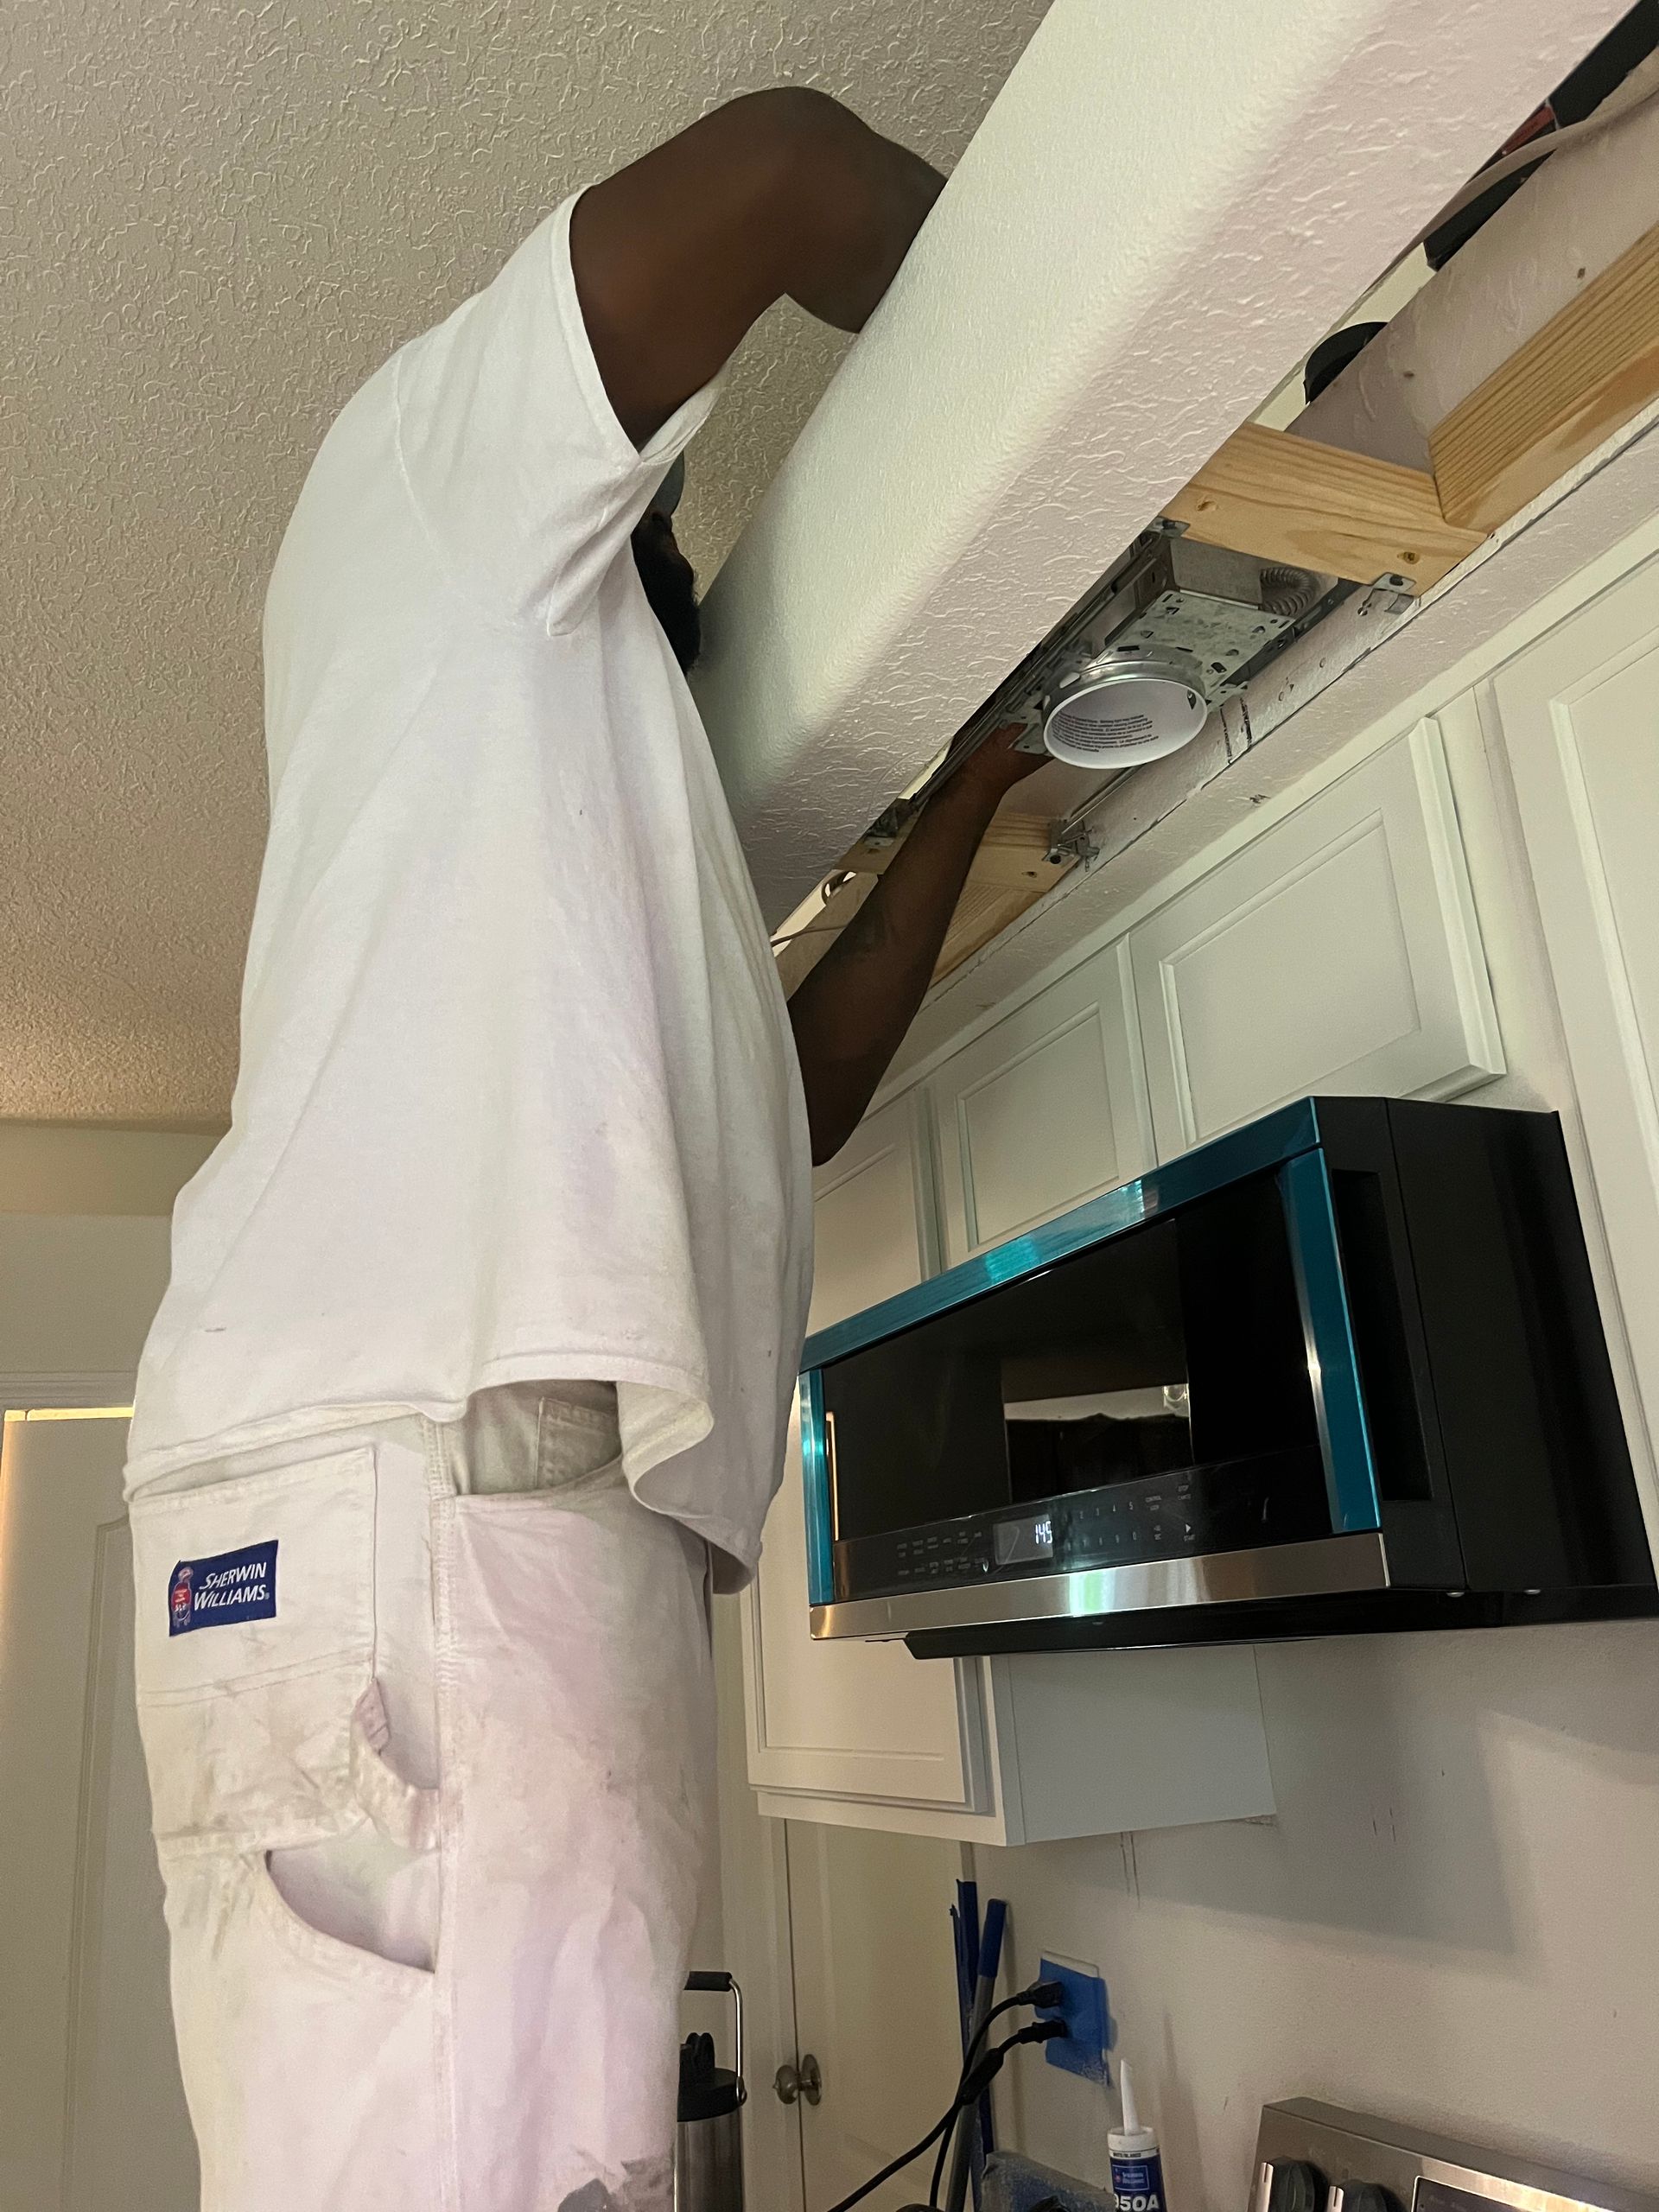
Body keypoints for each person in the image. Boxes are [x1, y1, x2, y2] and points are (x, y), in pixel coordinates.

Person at [124, 87, 1040, 2212]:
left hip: (433, 1500)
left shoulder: (543, 820)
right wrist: (1074, 375)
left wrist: (977, 779)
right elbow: (794, 166)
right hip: (429, 1490)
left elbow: (766, 1116)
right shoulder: (423, 482)